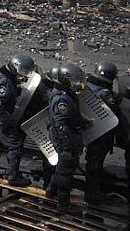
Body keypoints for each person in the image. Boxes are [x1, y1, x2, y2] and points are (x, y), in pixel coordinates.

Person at [0, 54, 35, 186]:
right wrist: (5, 121)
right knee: (14, 144)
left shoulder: (4, 76)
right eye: (23, 70)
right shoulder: (5, 82)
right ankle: (13, 176)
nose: (24, 73)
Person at [46, 63, 84, 212]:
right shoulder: (63, 99)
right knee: (65, 172)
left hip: (67, 137)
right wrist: (66, 147)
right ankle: (63, 204)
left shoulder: (66, 94)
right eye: (74, 81)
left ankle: (51, 191)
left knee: (61, 169)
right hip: (65, 140)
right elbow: (59, 126)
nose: (77, 83)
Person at [84, 61, 118, 203]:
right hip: (101, 131)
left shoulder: (87, 85)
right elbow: (113, 112)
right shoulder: (105, 93)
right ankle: (92, 191)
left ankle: (99, 174)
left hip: (90, 128)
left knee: (94, 158)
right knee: (95, 159)